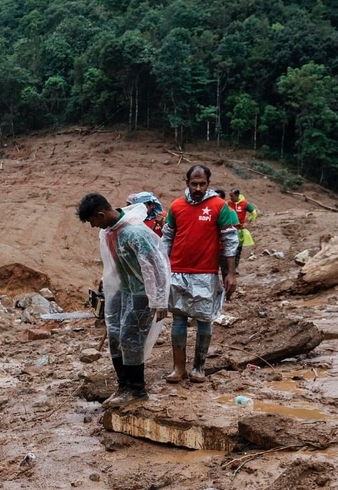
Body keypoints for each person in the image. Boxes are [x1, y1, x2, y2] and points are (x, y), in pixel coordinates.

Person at [78, 192, 171, 407]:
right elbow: (114, 264)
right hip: (123, 290)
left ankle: (137, 389)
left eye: (92, 221)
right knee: (116, 336)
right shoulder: (111, 232)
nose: (93, 227)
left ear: (101, 215)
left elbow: (156, 266)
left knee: (131, 340)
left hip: (141, 293)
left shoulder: (135, 233)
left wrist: (158, 300)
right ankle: (123, 386)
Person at [161, 165, 239, 383]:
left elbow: (230, 240)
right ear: (186, 182)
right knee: (178, 318)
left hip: (205, 273)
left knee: (204, 319)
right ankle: (179, 368)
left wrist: (230, 273)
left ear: (208, 183)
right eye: (194, 184)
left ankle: (199, 367)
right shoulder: (176, 206)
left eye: (202, 184)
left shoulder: (219, 206)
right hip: (178, 271)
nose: (197, 188)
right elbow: (167, 238)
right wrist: (162, 267)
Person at [229, 187, 259, 271]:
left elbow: (254, 212)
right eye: (230, 196)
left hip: (239, 230)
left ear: (237, 195)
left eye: (232, 196)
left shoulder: (245, 203)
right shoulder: (228, 203)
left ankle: (235, 267)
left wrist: (249, 221)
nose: (230, 198)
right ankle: (228, 267)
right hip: (229, 229)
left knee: (238, 249)